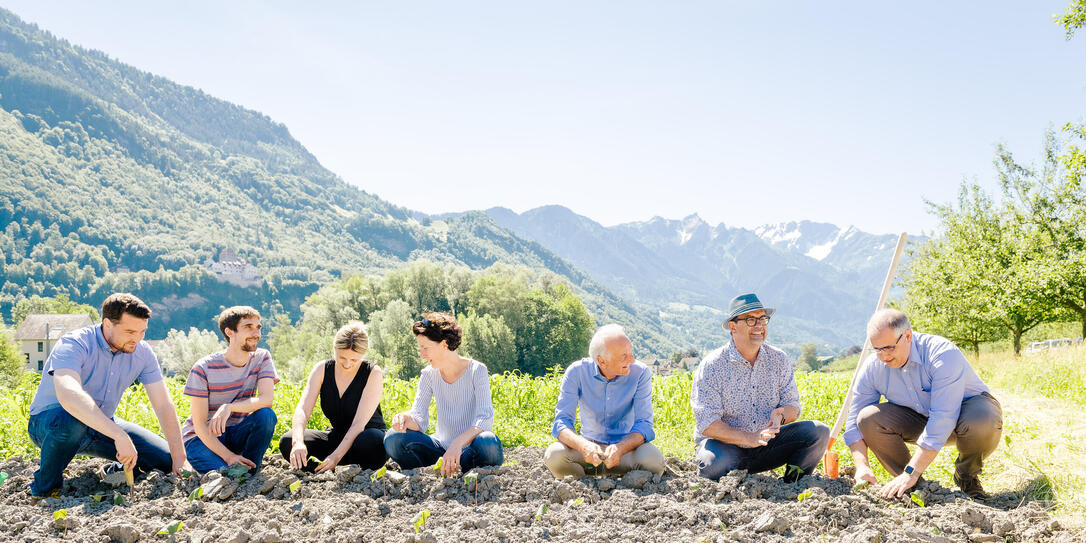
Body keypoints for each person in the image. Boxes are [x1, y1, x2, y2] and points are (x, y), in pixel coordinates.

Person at [26, 293, 189, 499]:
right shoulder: (75, 343)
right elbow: (69, 395)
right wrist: (119, 435)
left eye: (142, 332)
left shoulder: (143, 353)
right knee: (72, 421)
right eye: (130, 331)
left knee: (165, 460)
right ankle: (45, 489)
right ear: (107, 324)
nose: (137, 339)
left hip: (102, 426)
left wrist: (180, 459)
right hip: (52, 424)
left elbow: (164, 405)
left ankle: (116, 470)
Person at [845, 308, 1002, 499]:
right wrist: (862, 467)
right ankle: (916, 487)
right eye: (877, 349)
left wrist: (913, 470)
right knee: (868, 418)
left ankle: (966, 476)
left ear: (908, 336)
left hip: (965, 415)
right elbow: (854, 422)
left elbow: (943, 416)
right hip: (919, 419)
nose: (883, 356)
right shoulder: (873, 367)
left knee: (982, 419)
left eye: (889, 348)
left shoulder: (942, 353)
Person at [691, 293, 830, 481]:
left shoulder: (778, 359)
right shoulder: (713, 366)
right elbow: (707, 424)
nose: (759, 326)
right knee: (711, 462)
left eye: (763, 319)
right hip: (726, 447)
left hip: (768, 444)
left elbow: (793, 406)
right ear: (733, 327)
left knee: (818, 432)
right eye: (750, 320)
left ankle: (793, 485)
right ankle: (725, 488)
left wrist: (780, 416)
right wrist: (749, 438)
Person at [384, 312, 503, 476]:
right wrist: (405, 419)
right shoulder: (428, 374)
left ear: (444, 344)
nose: (422, 355)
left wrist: (458, 444)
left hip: (468, 451)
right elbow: (418, 417)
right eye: (420, 349)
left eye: (425, 348)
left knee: (488, 442)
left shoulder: (477, 370)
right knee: (393, 438)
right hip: (439, 451)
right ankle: (428, 475)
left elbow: (484, 420)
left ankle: (469, 476)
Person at [544, 324, 665, 478]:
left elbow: (644, 425)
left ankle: (629, 482)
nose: (632, 360)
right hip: (589, 454)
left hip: (625, 453)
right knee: (554, 455)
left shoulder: (640, 373)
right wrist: (584, 446)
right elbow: (561, 423)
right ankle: (582, 484)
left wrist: (620, 448)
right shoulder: (576, 372)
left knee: (653, 459)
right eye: (624, 356)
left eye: (631, 353)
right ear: (602, 361)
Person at [279, 321, 387, 472]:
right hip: (336, 437)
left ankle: (344, 467)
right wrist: (298, 442)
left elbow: (358, 425)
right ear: (334, 348)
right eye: (342, 357)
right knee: (287, 440)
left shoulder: (372, 373)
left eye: (354, 360)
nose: (348, 364)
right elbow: (302, 409)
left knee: (370, 442)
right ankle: (323, 470)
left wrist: (335, 457)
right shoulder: (322, 369)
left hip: (366, 439)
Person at [182, 306, 279, 473]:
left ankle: (249, 470)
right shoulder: (203, 368)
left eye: (258, 327)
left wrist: (229, 407)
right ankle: (224, 467)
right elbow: (199, 425)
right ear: (230, 332)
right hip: (202, 439)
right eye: (248, 327)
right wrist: (229, 457)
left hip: (235, 432)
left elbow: (266, 400)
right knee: (225, 476)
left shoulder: (262, 358)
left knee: (266, 416)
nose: (256, 333)